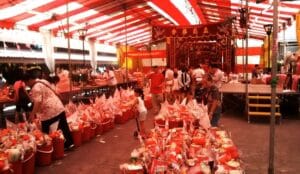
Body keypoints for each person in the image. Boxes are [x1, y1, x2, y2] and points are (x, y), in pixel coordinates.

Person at [24, 67, 74, 150]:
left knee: (45, 131)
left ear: (29, 80)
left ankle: (48, 148)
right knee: (64, 127)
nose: (26, 85)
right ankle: (70, 143)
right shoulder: (43, 81)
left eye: (26, 82)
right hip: (58, 106)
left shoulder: (35, 88)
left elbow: (38, 102)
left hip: (48, 111)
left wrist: (33, 114)